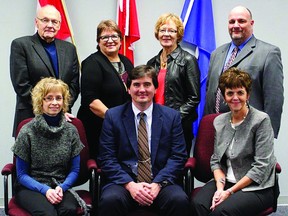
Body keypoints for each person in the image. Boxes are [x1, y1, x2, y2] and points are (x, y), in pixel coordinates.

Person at [98, 65, 190, 216]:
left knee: (179, 200)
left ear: (155, 88)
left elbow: (178, 156)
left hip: (161, 181)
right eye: (136, 85)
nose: (142, 90)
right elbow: (107, 158)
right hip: (124, 182)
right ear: (128, 89)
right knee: (110, 200)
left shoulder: (172, 117)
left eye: (147, 84)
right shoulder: (113, 116)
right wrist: (130, 185)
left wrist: (158, 184)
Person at [192, 68, 278, 215]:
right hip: (226, 181)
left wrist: (229, 192)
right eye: (230, 93)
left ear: (248, 95)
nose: (235, 97)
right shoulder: (219, 121)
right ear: (224, 97)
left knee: (220, 211)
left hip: (256, 187)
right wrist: (220, 190)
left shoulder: (261, 120)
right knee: (198, 204)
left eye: (240, 92)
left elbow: (261, 167)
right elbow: (215, 161)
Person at [204, 5, 284, 138]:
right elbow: (211, 92)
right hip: (216, 128)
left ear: (251, 23)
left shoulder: (268, 53)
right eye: (231, 22)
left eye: (241, 21)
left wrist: (267, 134)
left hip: (248, 132)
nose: (236, 25)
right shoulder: (216, 53)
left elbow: (274, 98)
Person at [12, 77, 84, 216]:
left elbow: (75, 170)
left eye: (58, 98)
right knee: (47, 213)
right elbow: (21, 175)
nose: (54, 102)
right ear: (40, 101)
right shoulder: (27, 131)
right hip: (30, 187)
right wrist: (45, 190)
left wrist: (61, 187)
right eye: (49, 98)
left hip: (60, 185)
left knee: (68, 210)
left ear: (64, 101)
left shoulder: (71, 130)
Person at [10, 4, 80, 137]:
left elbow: (74, 85)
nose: (50, 25)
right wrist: (48, 110)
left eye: (54, 21)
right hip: (31, 118)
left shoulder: (69, 49)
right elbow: (22, 85)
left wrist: (60, 109)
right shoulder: (21, 45)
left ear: (59, 25)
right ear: (36, 22)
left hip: (62, 120)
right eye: (45, 20)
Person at [77, 20, 134, 159]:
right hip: (99, 128)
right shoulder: (92, 63)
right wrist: (115, 121)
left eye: (114, 36)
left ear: (120, 40)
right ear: (98, 41)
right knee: (106, 168)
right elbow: (90, 100)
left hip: (123, 127)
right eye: (105, 37)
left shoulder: (126, 62)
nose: (110, 40)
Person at [147, 13, 200, 154]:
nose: (166, 34)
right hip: (153, 124)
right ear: (157, 34)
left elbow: (194, 97)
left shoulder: (188, 60)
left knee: (175, 169)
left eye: (171, 30)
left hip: (178, 126)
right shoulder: (151, 63)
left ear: (179, 35)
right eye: (163, 30)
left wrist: (174, 118)